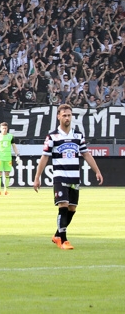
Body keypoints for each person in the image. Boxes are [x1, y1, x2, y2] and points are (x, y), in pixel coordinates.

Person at [33, 104, 104, 250]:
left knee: (72, 209)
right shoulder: (52, 136)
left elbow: (86, 154)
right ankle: (63, 240)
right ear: (58, 116)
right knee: (63, 205)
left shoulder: (78, 136)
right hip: (60, 176)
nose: (67, 118)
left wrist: (97, 170)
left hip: (74, 177)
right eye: (64, 115)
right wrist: (37, 177)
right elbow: (44, 157)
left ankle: (57, 234)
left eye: (69, 115)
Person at [0, 122, 19, 195]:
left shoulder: (10, 136)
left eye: (5, 128)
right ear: (0, 128)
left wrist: (17, 155)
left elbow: (14, 146)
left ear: (7, 128)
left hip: (8, 157)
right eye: (3, 128)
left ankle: (6, 191)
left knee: (7, 173)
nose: (4, 130)